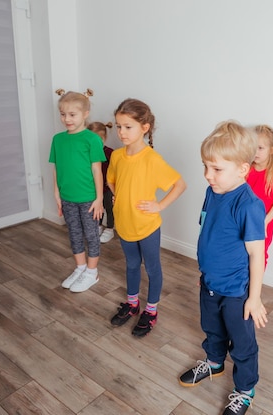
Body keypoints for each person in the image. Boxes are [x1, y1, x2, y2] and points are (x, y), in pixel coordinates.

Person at [178, 121, 267, 415]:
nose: (207, 175)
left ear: (242, 169)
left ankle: (244, 389)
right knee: (212, 329)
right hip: (210, 282)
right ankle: (214, 363)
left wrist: (253, 298)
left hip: (237, 292)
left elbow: (257, 254)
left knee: (242, 345)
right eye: (205, 166)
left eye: (216, 169)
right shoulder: (212, 191)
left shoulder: (249, 205)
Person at [106, 98, 186, 337]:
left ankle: (151, 310)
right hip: (124, 223)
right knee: (131, 265)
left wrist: (159, 205)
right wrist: (117, 195)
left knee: (152, 268)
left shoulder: (152, 159)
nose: (121, 132)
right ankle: (132, 304)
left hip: (147, 226)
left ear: (145, 127)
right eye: (119, 126)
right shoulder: (118, 156)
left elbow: (180, 185)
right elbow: (111, 178)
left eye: (128, 127)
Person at [49, 89, 105, 293]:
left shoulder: (91, 139)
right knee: (73, 233)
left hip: (89, 199)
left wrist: (99, 199)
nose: (67, 119)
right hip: (67, 197)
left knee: (91, 235)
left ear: (85, 113)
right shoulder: (57, 140)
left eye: (72, 114)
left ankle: (92, 272)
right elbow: (57, 168)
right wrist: (56, 193)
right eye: (63, 114)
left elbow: (97, 171)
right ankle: (80, 267)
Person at [246, 124, 273, 266]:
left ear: (272, 150)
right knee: (241, 249)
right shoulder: (245, 169)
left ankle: (254, 285)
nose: (256, 152)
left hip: (264, 222)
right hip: (244, 218)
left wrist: (265, 221)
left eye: (260, 148)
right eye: (253, 147)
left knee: (259, 253)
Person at [87, 121, 115, 243]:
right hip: (94, 187)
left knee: (109, 208)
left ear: (104, 138)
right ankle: (97, 226)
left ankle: (109, 229)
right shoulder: (87, 153)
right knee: (97, 208)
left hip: (108, 187)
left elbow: (115, 171)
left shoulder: (110, 153)